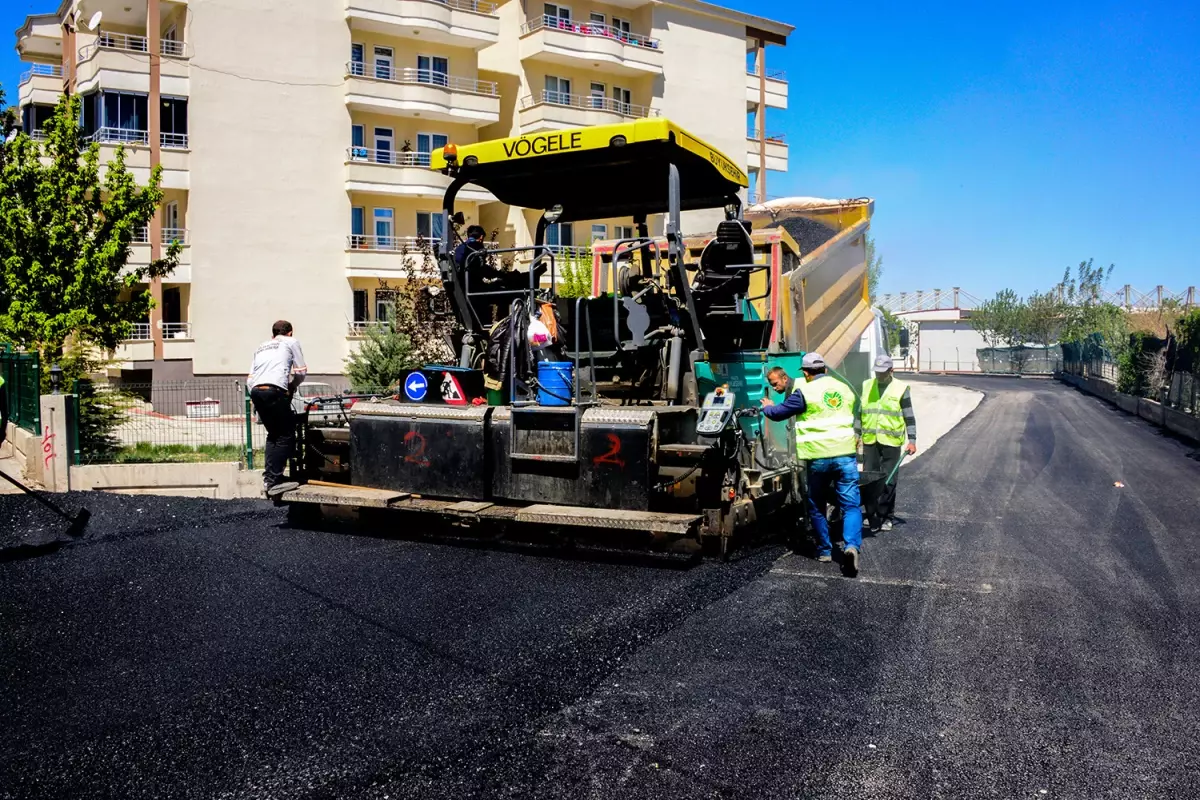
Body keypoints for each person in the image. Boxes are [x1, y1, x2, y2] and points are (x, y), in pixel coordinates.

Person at [761, 354, 863, 576]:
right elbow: (856, 411)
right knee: (851, 506)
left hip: (819, 459)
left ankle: (825, 551)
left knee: (816, 504)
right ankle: (851, 547)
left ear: (805, 372)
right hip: (845, 455)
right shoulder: (844, 388)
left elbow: (779, 413)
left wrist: (767, 407)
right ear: (824, 369)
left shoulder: (805, 391)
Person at [247, 320, 308, 497]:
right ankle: (276, 480)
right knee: (286, 433)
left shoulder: (261, 346)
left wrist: (257, 398)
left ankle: (269, 479)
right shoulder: (291, 342)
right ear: (289, 333)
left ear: (272, 335)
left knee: (273, 434)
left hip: (257, 391)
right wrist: (291, 387)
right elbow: (301, 371)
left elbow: (250, 379)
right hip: (275, 390)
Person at [858, 354, 917, 532]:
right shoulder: (867, 385)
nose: (879, 376)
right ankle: (871, 515)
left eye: (883, 373)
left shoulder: (900, 388)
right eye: (877, 372)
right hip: (870, 441)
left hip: (891, 442)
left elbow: (909, 416)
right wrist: (855, 434)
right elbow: (859, 413)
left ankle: (886, 516)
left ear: (891, 371)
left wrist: (912, 440)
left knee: (889, 481)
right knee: (869, 480)